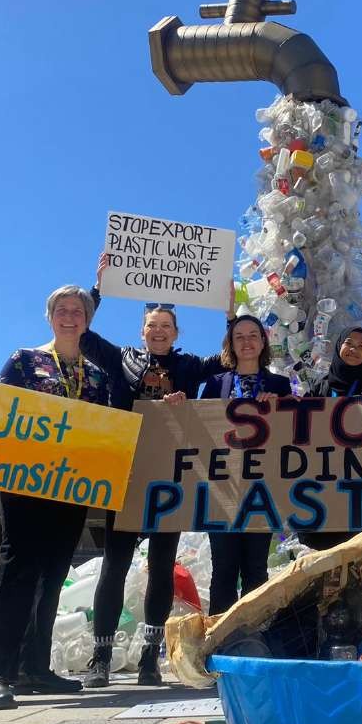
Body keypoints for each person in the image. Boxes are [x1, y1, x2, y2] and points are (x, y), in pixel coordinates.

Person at [80, 253, 231, 688]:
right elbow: (86, 336)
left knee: (163, 567)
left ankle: (149, 657)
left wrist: (229, 311)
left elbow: (227, 357)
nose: (159, 331)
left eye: (166, 326)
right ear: (142, 332)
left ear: (176, 333)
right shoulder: (122, 360)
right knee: (115, 565)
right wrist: (99, 287)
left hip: (170, 476)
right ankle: (100, 657)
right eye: (152, 326)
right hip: (126, 474)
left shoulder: (188, 367)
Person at [0, 285, 108, 710]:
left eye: (78, 310)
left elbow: (102, 432)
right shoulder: (25, 361)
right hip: (25, 482)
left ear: (88, 319)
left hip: (72, 486)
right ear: (50, 316)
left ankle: (34, 667)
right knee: (19, 566)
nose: (70, 316)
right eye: (62, 309)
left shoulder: (97, 375)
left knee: (54, 572)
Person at [199, 315, 292, 614]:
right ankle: (218, 644)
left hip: (262, 492)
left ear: (263, 342)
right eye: (239, 336)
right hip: (222, 490)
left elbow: (294, 434)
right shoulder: (215, 383)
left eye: (253, 335)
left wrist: (279, 407)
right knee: (223, 569)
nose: (247, 341)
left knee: (256, 568)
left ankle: (254, 638)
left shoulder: (279, 384)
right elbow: (198, 428)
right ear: (230, 344)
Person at [304, 328, 362, 549]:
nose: (354, 349)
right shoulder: (321, 386)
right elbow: (297, 424)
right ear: (339, 347)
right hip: (324, 492)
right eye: (349, 343)